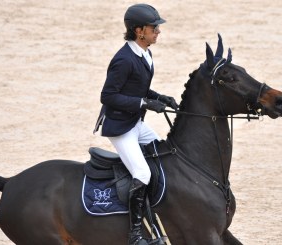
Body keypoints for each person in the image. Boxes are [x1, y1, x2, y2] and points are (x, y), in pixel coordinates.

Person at [93, 3, 178, 245]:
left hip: (135, 122)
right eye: (154, 28)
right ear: (139, 31)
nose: (158, 32)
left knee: (162, 154)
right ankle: (135, 235)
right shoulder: (124, 59)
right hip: (121, 127)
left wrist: (159, 97)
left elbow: (137, 87)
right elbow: (108, 96)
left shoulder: (144, 53)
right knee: (141, 172)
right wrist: (145, 103)